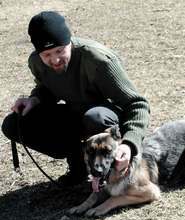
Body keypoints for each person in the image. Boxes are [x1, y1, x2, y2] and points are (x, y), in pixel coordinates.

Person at [1, 11, 150, 187]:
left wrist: (129, 144)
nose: (55, 59)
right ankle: (78, 166)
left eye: (59, 50)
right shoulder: (36, 62)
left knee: (95, 117)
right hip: (75, 113)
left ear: (69, 42)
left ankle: (112, 171)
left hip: (107, 118)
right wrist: (34, 99)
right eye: (47, 55)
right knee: (14, 123)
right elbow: (49, 88)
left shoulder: (98, 60)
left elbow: (137, 104)